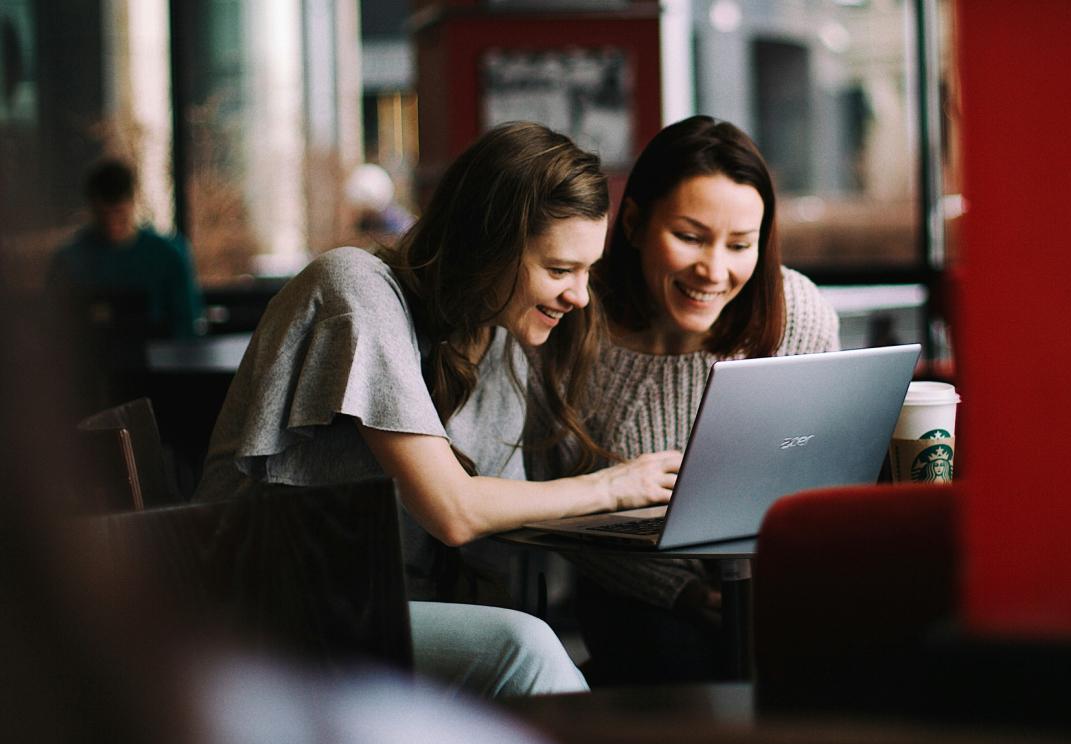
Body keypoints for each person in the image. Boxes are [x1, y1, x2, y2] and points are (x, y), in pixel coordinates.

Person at [194, 121, 682, 698]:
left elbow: (505, 509)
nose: (578, 297)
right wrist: (614, 488)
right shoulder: (354, 288)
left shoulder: (495, 336)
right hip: (264, 610)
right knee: (526, 650)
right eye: (558, 270)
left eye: (586, 272)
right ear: (488, 245)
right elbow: (455, 511)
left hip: (370, 605)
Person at [537, 115, 840, 684]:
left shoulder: (796, 312)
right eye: (691, 236)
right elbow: (551, 501)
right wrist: (683, 592)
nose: (715, 270)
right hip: (638, 596)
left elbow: (824, 472)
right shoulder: (571, 326)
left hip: (780, 585)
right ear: (633, 223)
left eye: (740, 245)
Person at [46, 157, 206, 340]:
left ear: (132, 203)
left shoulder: (169, 256)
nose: (111, 224)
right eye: (103, 215)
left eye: (119, 214)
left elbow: (186, 326)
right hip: (85, 364)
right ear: (91, 209)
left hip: (158, 364)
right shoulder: (68, 261)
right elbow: (53, 328)